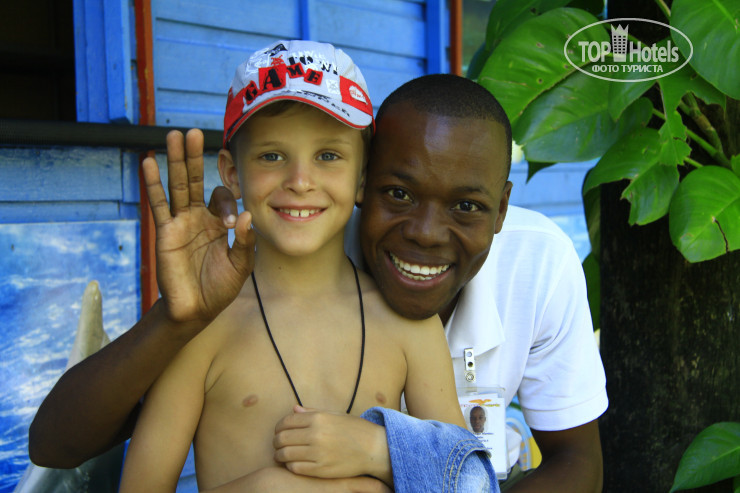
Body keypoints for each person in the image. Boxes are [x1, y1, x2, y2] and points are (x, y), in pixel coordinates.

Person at [29, 71, 605, 491]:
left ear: (356, 174)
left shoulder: (421, 322)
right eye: (272, 156)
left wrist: (384, 451)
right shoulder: (209, 323)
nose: (301, 181)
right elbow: (74, 452)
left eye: (328, 156)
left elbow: (469, 478)